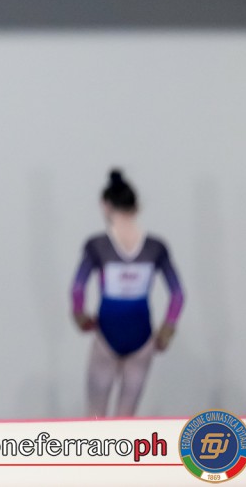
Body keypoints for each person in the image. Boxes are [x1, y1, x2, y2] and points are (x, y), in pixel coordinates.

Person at [71, 168, 184, 418]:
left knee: (95, 417)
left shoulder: (98, 246)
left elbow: (77, 288)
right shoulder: (155, 247)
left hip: (107, 334)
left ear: (105, 206)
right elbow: (177, 294)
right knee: (127, 419)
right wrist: (167, 330)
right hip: (141, 336)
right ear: (137, 207)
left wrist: (81, 317)